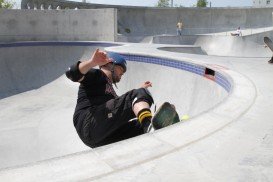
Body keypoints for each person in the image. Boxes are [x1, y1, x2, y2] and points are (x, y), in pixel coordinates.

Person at [65, 49, 155, 148]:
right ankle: (149, 124)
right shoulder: (97, 75)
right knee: (138, 95)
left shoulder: (111, 93)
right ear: (110, 64)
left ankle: (153, 124)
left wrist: (140, 91)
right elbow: (71, 73)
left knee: (138, 126)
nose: (123, 72)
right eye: (121, 68)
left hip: (101, 137)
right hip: (89, 123)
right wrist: (92, 62)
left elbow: (123, 106)